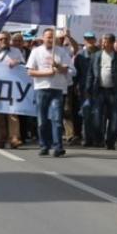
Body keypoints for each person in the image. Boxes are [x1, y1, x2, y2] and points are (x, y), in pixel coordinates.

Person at [26, 28, 76, 157]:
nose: (50, 39)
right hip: (41, 89)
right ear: (43, 38)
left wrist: (58, 66)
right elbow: (30, 71)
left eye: (52, 37)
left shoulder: (62, 52)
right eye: (48, 37)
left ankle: (58, 147)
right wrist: (46, 73)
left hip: (57, 89)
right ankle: (44, 145)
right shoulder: (36, 52)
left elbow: (70, 70)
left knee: (57, 119)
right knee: (42, 120)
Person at [86, 33, 117, 149]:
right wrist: (87, 89)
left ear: (112, 43)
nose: (103, 44)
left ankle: (111, 142)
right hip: (99, 90)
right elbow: (90, 74)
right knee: (97, 118)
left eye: (106, 41)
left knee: (114, 118)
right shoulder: (96, 56)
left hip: (114, 92)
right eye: (102, 41)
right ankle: (99, 139)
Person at [0, 31, 25, 149]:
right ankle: (1, 138)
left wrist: (16, 62)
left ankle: (14, 138)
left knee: (13, 114)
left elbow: (24, 65)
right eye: (1, 39)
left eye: (6, 39)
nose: (4, 41)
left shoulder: (16, 52)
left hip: (12, 87)